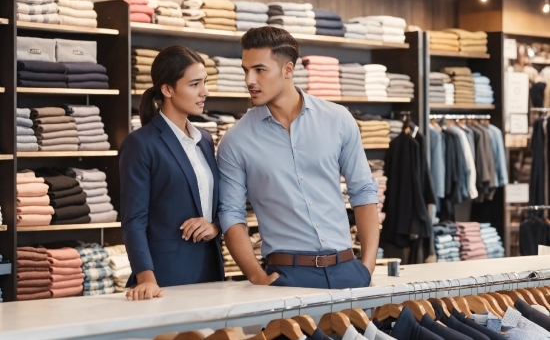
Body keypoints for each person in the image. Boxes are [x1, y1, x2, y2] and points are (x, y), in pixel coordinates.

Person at [217, 26, 380, 289]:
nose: (249, 80)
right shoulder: (235, 140)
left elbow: (363, 191)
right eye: (245, 70)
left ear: (288, 70)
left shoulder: (338, 120)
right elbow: (231, 213)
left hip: (348, 271)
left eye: (259, 70)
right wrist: (256, 276)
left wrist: (368, 267)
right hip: (287, 275)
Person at [119, 45, 224, 301]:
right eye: (195, 84)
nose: (204, 92)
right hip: (164, 277)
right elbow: (134, 220)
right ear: (167, 89)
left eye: (205, 83)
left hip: (210, 270)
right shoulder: (140, 143)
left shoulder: (205, 140)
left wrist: (214, 226)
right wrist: (146, 279)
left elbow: (215, 202)